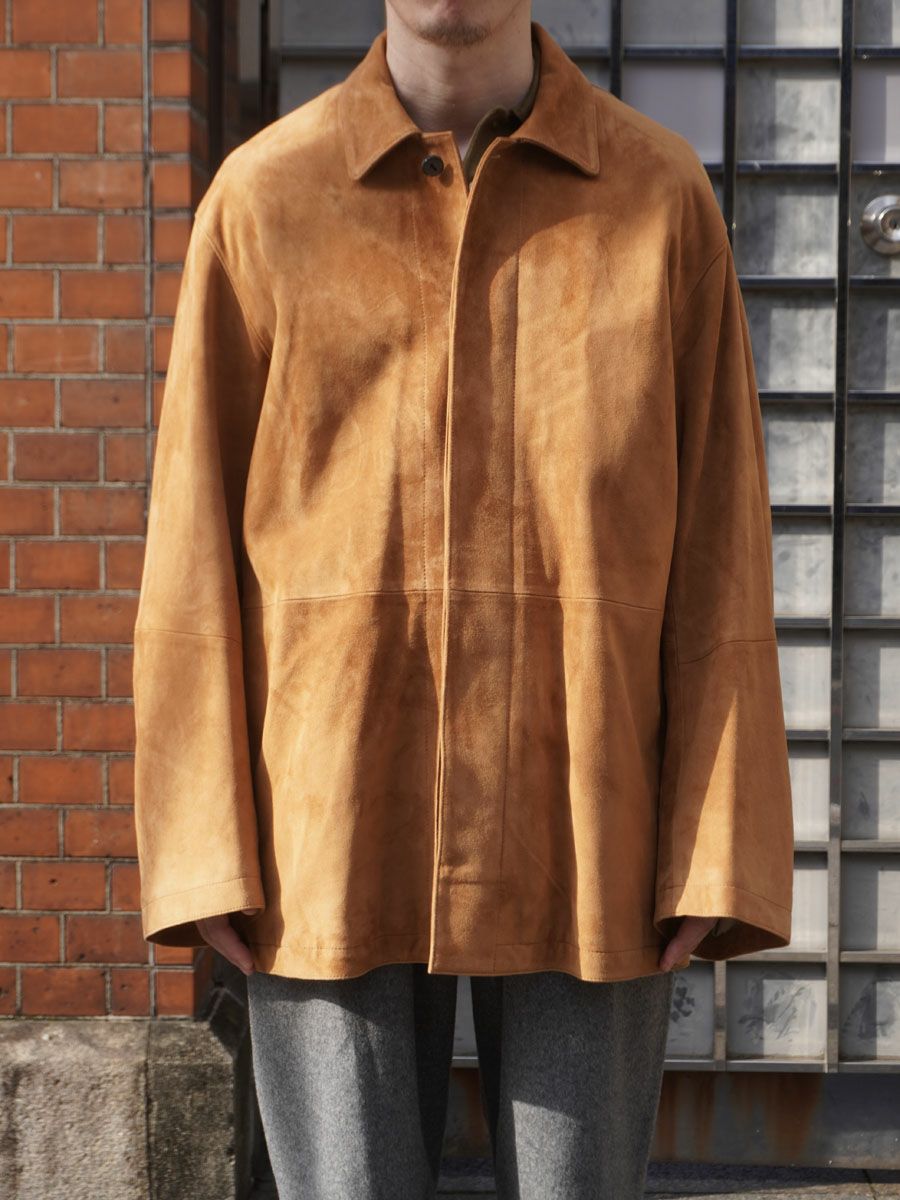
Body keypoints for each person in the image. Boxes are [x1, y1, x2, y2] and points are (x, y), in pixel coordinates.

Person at [132, 2, 794, 1197]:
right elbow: (190, 555)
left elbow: (722, 557)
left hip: (594, 812)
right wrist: (200, 846)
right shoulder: (266, 199)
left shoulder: (657, 198)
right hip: (326, 821)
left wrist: (717, 849)